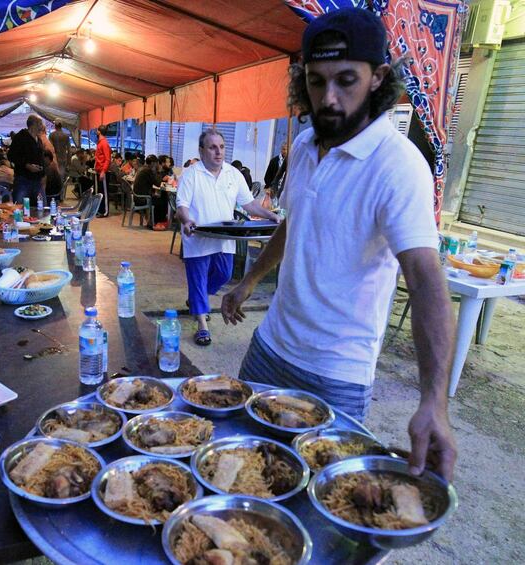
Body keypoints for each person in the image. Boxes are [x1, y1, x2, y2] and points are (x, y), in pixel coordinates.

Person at [221, 8, 456, 481]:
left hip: (336, 374)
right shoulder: (307, 144)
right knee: (240, 468)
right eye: (315, 81)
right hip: (270, 348)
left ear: (378, 78)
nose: (328, 98)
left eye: (346, 80)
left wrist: (434, 401)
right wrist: (249, 281)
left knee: (318, 497)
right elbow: (294, 224)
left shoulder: (398, 165)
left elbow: (427, 280)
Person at [177, 130, 279, 347]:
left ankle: (198, 299)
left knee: (223, 274)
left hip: (224, 237)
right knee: (198, 278)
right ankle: (202, 325)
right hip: (198, 237)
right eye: (212, 147)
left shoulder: (233, 174)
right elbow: (182, 206)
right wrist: (186, 221)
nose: (218, 152)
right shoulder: (191, 174)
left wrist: (271, 215)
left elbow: (248, 204)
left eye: (222, 147)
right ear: (202, 150)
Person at [8, 114, 45, 204]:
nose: (42, 127)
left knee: (42, 208)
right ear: (33, 125)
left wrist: (42, 171)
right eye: (40, 124)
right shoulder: (20, 137)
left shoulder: (38, 140)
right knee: (19, 208)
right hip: (23, 180)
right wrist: (26, 165)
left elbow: (41, 158)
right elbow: (11, 155)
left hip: (37, 180)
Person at [132, 155, 167, 227]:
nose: (157, 165)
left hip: (137, 197)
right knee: (162, 200)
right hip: (142, 198)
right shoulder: (148, 171)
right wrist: (159, 171)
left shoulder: (142, 168)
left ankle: (153, 221)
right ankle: (157, 222)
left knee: (158, 198)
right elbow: (157, 183)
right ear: (153, 163)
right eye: (156, 163)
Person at [94, 125, 112, 217]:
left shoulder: (104, 143)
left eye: (97, 130)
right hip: (99, 171)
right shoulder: (100, 142)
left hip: (103, 172)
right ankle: (100, 210)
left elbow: (107, 159)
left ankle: (104, 211)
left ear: (99, 131)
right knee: (100, 192)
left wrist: (103, 171)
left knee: (104, 193)